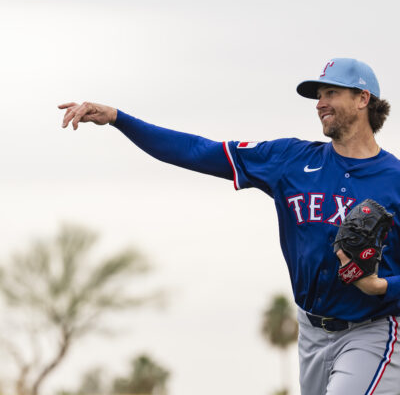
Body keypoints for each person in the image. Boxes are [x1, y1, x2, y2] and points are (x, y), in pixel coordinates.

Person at [59, 58, 400, 395]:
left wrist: (382, 286)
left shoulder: (394, 180)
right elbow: (197, 151)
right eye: (318, 96)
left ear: (362, 99)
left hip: (372, 331)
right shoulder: (291, 160)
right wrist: (120, 119)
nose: (320, 104)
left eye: (331, 92)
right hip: (310, 332)